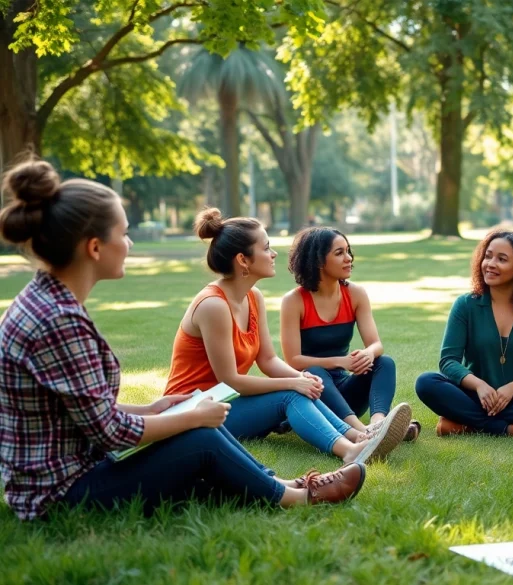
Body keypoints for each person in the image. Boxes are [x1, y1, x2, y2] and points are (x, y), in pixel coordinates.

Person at [0, 160, 365, 521]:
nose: (129, 243)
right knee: (200, 436)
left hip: (82, 467)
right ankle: (295, 497)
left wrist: (151, 409)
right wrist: (190, 417)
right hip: (61, 492)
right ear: (95, 248)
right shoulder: (59, 320)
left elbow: (84, 413)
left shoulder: (50, 304)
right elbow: (110, 432)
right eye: (124, 234)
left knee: (200, 438)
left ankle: (282, 482)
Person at [164, 209, 411, 465]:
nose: (273, 254)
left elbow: (268, 360)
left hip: (222, 403)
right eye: (266, 248)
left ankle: (361, 436)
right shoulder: (213, 306)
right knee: (292, 393)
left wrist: (301, 378)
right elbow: (231, 380)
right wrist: (293, 383)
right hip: (191, 411)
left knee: (302, 387)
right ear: (243, 260)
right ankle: (352, 450)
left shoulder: (253, 297)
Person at [415, 230, 513, 438]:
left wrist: (512, 388)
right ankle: (511, 428)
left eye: (502, 259)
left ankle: (467, 425)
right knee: (426, 382)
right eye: (488, 256)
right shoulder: (466, 304)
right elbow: (448, 361)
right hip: (476, 396)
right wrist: (479, 386)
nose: (490, 264)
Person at [280, 227, 419, 443]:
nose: (349, 258)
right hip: (313, 394)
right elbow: (293, 361)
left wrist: (368, 354)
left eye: (348, 251)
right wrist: (341, 361)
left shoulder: (355, 294)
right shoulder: (294, 301)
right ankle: (362, 432)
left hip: (344, 396)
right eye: (339, 253)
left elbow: (376, 344)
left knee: (384, 362)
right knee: (314, 372)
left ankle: (379, 424)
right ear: (318, 261)